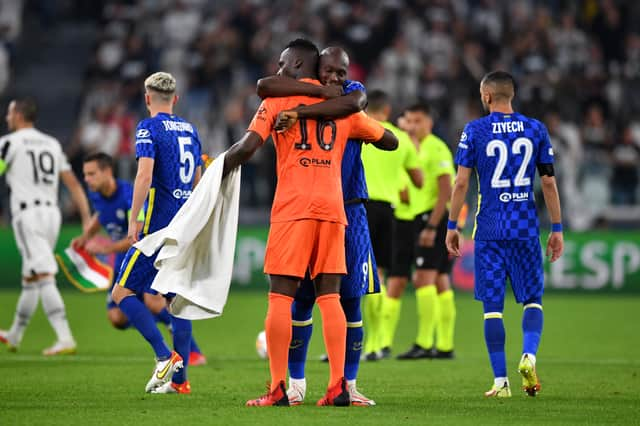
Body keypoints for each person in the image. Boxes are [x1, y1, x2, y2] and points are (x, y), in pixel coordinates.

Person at [222, 39, 398, 407]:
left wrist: (211, 175)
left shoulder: (277, 102)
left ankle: (279, 388)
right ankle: (338, 387)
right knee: (330, 296)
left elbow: (246, 148)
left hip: (293, 207)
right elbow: (390, 140)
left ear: (297, 64)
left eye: (284, 64)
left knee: (281, 296)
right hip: (334, 209)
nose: (280, 70)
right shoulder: (344, 110)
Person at [445, 70, 563, 397]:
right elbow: (549, 183)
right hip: (525, 227)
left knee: (493, 307)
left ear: (486, 97)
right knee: (532, 300)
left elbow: (462, 183)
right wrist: (557, 228)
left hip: (490, 229)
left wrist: (453, 226)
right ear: (512, 96)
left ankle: (500, 382)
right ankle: (529, 355)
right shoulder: (536, 128)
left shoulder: (475, 130)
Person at [110, 72, 203, 394]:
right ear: (174, 99)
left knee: (121, 293)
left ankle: (164, 356)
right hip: (185, 225)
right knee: (176, 301)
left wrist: (134, 221)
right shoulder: (191, 130)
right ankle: (181, 381)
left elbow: (144, 175)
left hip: (157, 227)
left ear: (148, 97)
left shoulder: (148, 128)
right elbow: (198, 183)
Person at [73, 152, 206, 366]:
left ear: (107, 172)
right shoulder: (97, 196)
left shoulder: (129, 196)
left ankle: (188, 352)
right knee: (117, 318)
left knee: (154, 302)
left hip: (142, 257)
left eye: (91, 174)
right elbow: (102, 214)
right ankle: (166, 331)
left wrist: (108, 247)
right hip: (121, 263)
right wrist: (86, 236)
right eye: (85, 175)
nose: (87, 179)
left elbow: (140, 236)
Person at [0, 97, 91, 355]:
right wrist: (85, 217)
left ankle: (65, 337)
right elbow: (73, 184)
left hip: (27, 215)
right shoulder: (51, 143)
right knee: (31, 277)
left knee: (43, 275)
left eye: (9, 114)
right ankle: (15, 335)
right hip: (52, 214)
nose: (7, 118)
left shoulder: (9, 143)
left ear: (17, 115)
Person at [361, 93, 424, 360]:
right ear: (387, 109)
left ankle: (358, 344)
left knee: (359, 277)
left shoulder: (358, 131)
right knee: (381, 275)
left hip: (360, 206)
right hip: (389, 210)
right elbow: (419, 180)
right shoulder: (401, 139)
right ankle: (377, 344)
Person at [395, 104, 457, 360]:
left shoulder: (436, 147)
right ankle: (444, 345)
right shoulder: (413, 148)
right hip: (424, 216)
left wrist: (432, 226)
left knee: (423, 279)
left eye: (417, 120)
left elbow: (446, 189)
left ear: (429, 122)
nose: (412, 125)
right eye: (408, 120)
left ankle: (424, 342)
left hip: (434, 218)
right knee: (441, 280)